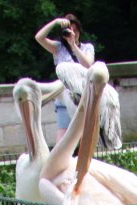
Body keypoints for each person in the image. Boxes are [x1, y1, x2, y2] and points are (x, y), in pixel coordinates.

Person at [35, 14, 95, 142]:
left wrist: (73, 45)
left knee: (85, 140)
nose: (72, 33)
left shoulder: (87, 48)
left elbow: (88, 65)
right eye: (69, 30)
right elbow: (39, 37)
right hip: (64, 98)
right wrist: (55, 22)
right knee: (61, 140)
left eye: (75, 29)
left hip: (83, 99)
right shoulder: (58, 48)